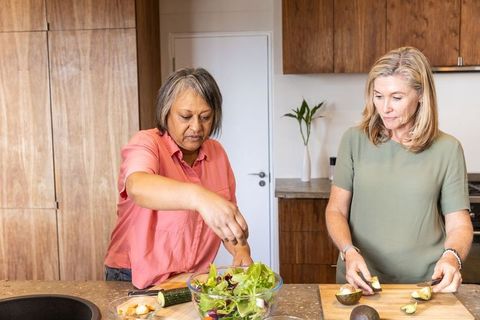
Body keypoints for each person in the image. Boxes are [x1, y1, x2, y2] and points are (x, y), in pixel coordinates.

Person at [326, 47, 473, 294]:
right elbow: (335, 210)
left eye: (396, 97)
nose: (385, 108)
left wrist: (451, 257)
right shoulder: (353, 140)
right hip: (361, 281)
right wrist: (348, 252)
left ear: (421, 95)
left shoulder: (448, 149)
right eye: (378, 96)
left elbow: (459, 224)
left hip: (426, 285)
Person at [104, 67, 253, 289]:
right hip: (131, 277)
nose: (196, 127)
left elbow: (225, 220)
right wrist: (199, 197)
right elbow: (137, 186)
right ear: (166, 113)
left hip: (190, 280)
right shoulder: (146, 143)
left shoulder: (217, 153)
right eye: (185, 116)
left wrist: (240, 249)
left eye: (205, 117)